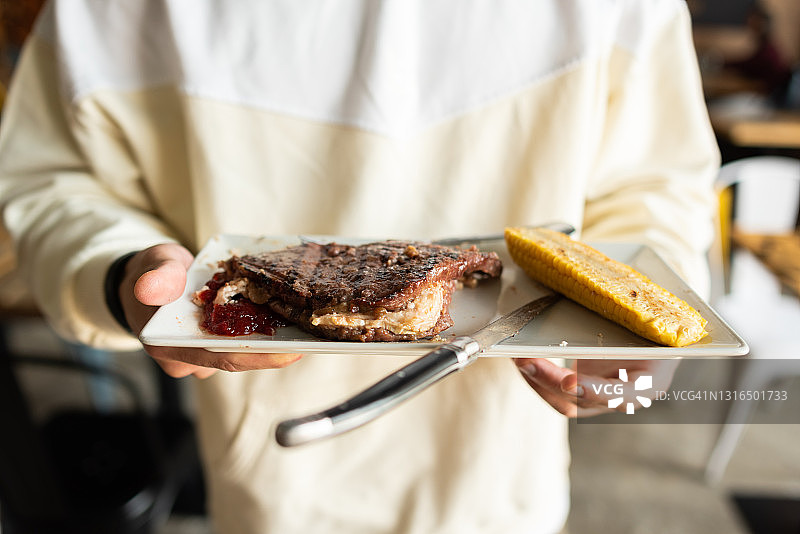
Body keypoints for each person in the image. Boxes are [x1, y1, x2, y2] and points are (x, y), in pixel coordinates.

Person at [0, 1, 719, 533]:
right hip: (271, 488)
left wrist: (648, 325)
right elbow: (52, 177)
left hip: (504, 483)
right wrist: (122, 271)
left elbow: (657, 184)